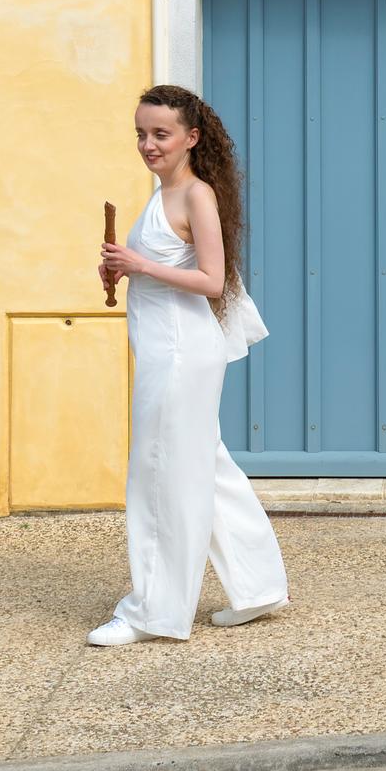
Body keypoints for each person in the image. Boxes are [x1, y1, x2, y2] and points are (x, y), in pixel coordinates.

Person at [89, 83, 287, 645]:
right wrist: (123, 270)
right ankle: (258, 586)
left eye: (160, 134)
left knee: (159, 474)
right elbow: (156, 269)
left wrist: (137, 264)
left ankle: (152, 612)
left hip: (180, 354)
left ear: (191, 138)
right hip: (165, 349)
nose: (148, 144)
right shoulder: (161, 195)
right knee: (207, 466)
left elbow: (212, 281)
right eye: (141, 134)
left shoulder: (196, 195)